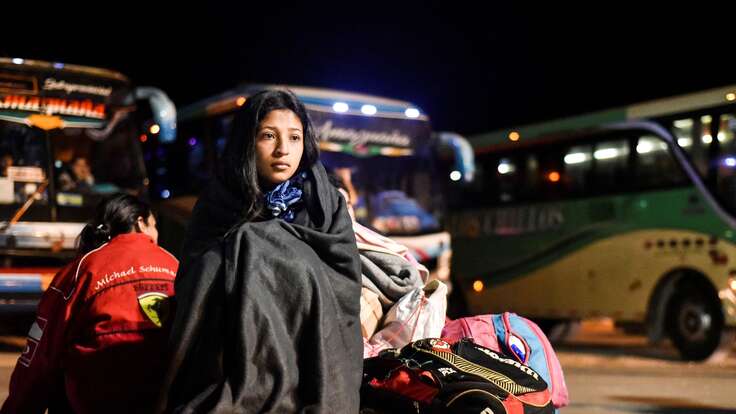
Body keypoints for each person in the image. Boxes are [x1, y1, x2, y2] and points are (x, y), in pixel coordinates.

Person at [159, 90, 362, 413]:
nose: (283, 150)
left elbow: (345, 286)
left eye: (295, 138)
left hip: (313, 356)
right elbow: (194, 284)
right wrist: (247, 252)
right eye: (269, 136)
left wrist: (268, 251)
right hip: (230, 356)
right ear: (246, 142)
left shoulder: (325, 204)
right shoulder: (218, 201)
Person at [1, 193, 179, 414]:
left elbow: (40, 356)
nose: (156, 233)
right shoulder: (174, 264)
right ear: (140, 223)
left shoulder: (82, 269)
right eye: (155, 225)